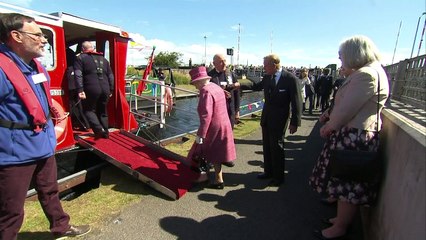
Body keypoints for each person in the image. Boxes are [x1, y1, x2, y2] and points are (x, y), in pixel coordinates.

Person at [0, 13, 91, 239]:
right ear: (16, 36)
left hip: (42, 143)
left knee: (50, 191)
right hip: (15, 152)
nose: (43, 40)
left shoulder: (36, 67)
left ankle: (61, 227)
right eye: (38, 35)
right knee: (10, 210)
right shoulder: (2, 70)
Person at [308, 35, 389, 240]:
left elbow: (347, 109)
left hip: (355, 136)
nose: (341, 61)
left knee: (348, 184)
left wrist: (329, 126)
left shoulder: (366, 75)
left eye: (342, 56)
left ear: (354, 54)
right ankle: (341, 220)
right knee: (344, 181)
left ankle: (341, 227)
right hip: (355, 134)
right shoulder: (369, 72)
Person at [242, 54, 302, 186]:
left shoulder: (290, 79)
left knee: (277, 147)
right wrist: (238, 85)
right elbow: (256, 86)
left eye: (265, 65)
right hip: (266, 118)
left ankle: (278, 177)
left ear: (274, 65)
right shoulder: (268, 77)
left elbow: (297, 101)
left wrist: (295, 122)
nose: (264, 68)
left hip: (280, 119)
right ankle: (268, 171)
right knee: (267, 146)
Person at [186, 66, 236, 189]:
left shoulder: (205, 91)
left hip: (212, 127)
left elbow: (205, 116)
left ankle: (203, 178)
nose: (195, 86)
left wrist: (201, 135)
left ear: (199, 81)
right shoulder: (215, 86)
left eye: (194, 83)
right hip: (223, 124)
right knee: (216, 154)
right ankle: (219, 180)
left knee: (199, 153)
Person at [74, 41, 114, 139]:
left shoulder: (80, 58)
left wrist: (80, 89)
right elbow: (111, 76)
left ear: (83, 49)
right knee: (103, 110)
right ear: (93, 48)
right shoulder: (104, 60)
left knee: (88, 109)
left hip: (91, 87)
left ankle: (98, 129)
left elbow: (78, 74)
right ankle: (106, 132)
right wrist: (111, 89)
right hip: (105, 88)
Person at [208, 53, 241, 129]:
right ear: (214, 63)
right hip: (217, 113)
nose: (224, 64)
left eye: (225, 61)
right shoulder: (210, 76)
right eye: (221, 61)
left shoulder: (230, 74)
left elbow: (236, 93)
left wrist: (237, 111)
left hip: (230, 111)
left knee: (229, 134)